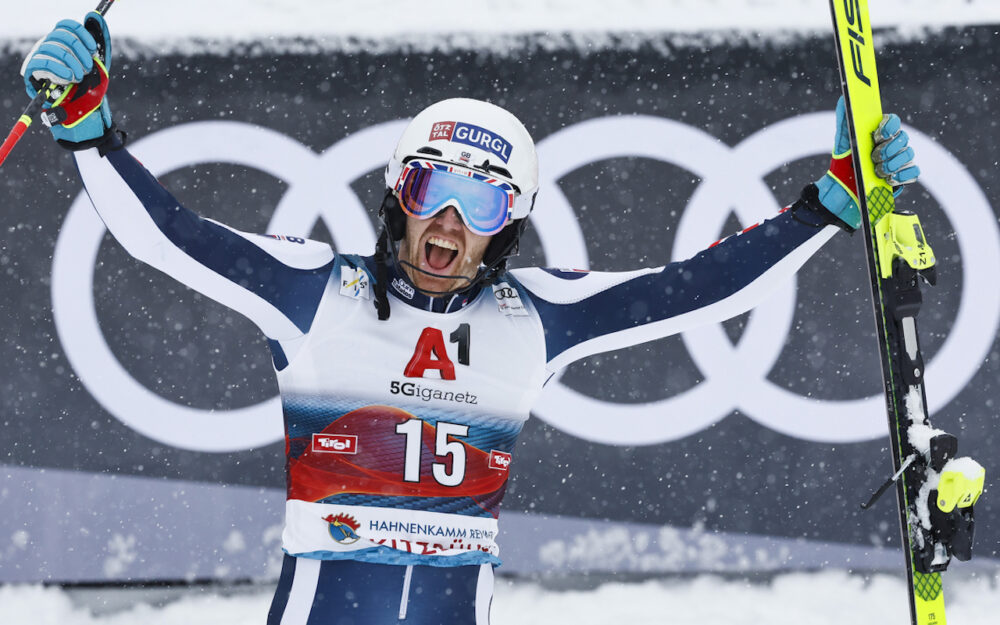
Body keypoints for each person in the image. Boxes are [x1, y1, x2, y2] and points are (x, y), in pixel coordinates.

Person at [22, 13, 920, 625]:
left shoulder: (533, 317)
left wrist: (827, 204)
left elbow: (698, 288)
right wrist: (89, 132)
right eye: (430, 189)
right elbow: (166, 239)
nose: (448, 223)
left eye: (480, 205)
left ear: (510, 229)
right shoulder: (312, 292)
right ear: (395, 199)